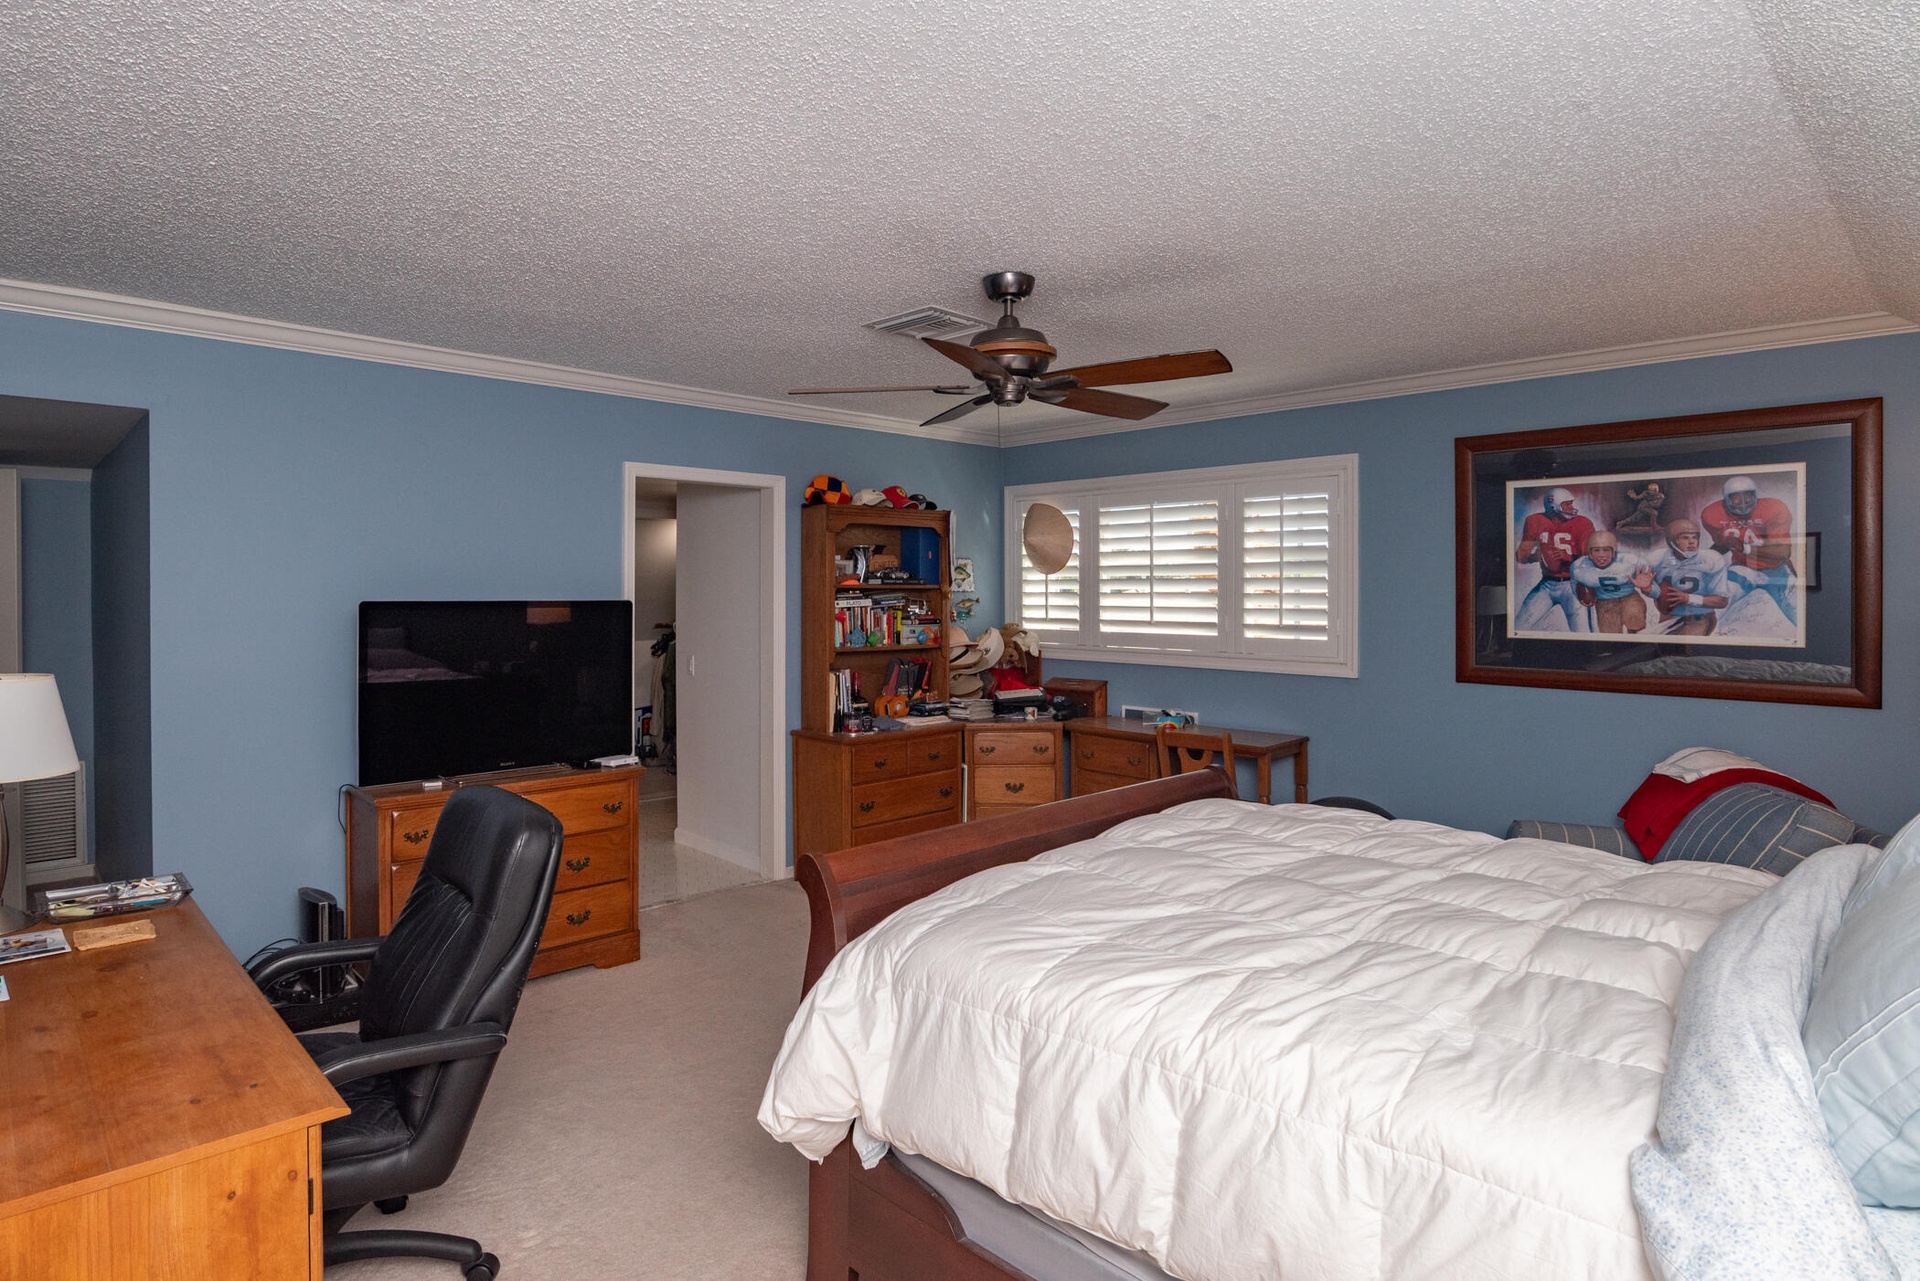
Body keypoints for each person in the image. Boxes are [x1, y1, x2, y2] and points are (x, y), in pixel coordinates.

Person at [1699, 474, 1797, 626]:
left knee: (1801, 612)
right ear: (1726, 499)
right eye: (1736, 498)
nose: (1743, 502)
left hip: (1777, 569)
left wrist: (1744, 547)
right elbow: (1723, 545)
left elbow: (1782, 553)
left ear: (1756, 495)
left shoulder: (1774, 509)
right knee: (1709, 610)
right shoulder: (1712, 514)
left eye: (1748, 496)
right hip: (1742, 567)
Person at [1514, 487, 1594, 631]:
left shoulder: (1583, 523)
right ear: (1553, 505)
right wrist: (1533, 557)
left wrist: (1568, 557)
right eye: (1566, 504)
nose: (1571, 507)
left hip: (1573, 585)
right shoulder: (1534, 521)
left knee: (1582, 632)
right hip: (1547, 585)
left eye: (1571, 503)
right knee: (1518, 627)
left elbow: (1590, 560)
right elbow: (1520, 556)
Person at [1632, 518, 1729, 636]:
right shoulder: (1658, 558)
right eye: (1685, 538)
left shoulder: (1710, 560)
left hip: (1698, 618)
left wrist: (1688, 598)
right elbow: (1659, 592)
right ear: (1672, 541)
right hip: (1669, 617)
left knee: (1682, 646)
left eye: (1694, 537)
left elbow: (1722, 601)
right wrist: (1648, 589)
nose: (1691, 542)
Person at [1570, 530, 1646, 633]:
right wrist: (1580, 597)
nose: (1601, 555)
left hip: (1629, 596)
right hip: (1604, 601)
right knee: (1610, 632)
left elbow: (1648, 578)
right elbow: (1574, 582)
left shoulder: (1628, 561)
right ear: (1590, 553)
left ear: (1614, 552)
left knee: (1634, 615)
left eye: (1606, 550)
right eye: (1596, 550)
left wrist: (1649, 588)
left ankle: (1635, 635)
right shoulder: (1580, 567)